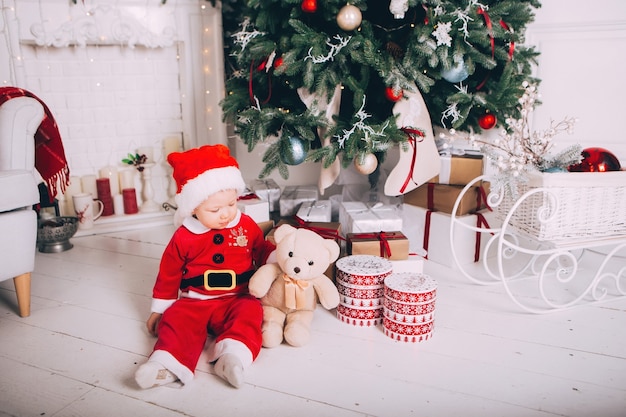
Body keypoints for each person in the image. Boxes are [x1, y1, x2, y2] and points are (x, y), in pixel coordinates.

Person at [134, 144, 275, 389]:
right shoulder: (184, 235)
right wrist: (160, 308)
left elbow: (260, 249)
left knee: (250, 313)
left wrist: (276, 257)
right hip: (195, 300)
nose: (226, 214)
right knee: (176, 319)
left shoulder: (245, 225)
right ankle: (166, 365)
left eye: (231, 204)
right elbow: (169, 273)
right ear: (194, 208)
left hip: (236, 297)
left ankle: (232, 357)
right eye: (215, 209)